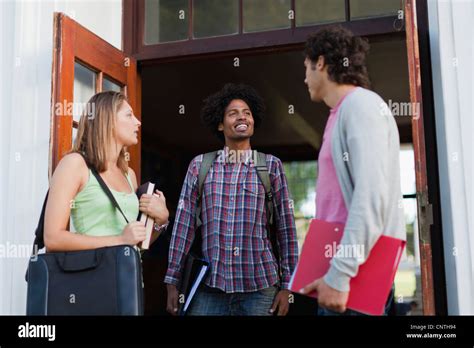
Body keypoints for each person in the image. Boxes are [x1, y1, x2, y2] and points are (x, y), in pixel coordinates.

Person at [298, 26, 406, 315]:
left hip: (353, 277)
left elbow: (371, 197)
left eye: (306, 68)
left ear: (320, 62)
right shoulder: (343, 111)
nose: (304, 77)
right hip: (340, 272)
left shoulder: (361, 106)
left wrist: (340, 273)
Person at [164, 83, 299, 316]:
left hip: (260, 288)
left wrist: (288, 286)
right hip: (210, 288)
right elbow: (184, 226)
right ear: (220, 123)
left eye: (247, 112)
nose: (242, 117)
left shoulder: (269, 166)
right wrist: (172, 279)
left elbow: (286, 229)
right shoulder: (200, 166)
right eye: (233, 113)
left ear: (254, 123)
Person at [44, 91, 169, 253]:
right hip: (92, 276)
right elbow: (53, 238)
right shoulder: (75, 164)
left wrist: (161, 220)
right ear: (108, 120)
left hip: (127, 277)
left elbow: (136, 246)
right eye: (129, 115)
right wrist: (120, 240)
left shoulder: (129, 174)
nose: (137, 122)